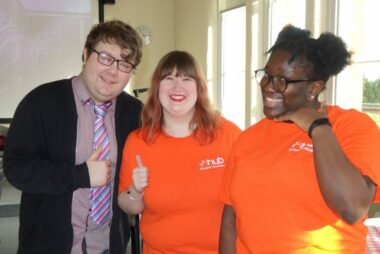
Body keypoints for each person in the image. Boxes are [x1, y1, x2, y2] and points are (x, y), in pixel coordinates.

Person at [219, 24, 380, 253]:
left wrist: (319, 127)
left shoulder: (352, 127)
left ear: (314, 87)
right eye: (266, 76)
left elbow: (352, 208)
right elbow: (230, 221)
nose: (267, 87)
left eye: (282, 81)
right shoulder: (248, 139)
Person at [3, 20, 143, 254]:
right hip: (49, 245)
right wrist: (80, 175)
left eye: (124, 63)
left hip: (108, 245)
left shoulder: (135, 113)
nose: (113, 70)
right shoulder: (40, 102)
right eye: (105, 57)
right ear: (86, 54)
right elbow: (16, 168)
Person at [118, 50, 241, 254]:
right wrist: (136, 191)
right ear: (157, 87)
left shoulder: (228, 134)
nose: (177, 87)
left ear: (199, 87)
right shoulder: (138, 141)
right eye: (169, 78)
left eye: (186, 79)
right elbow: (129, 206)